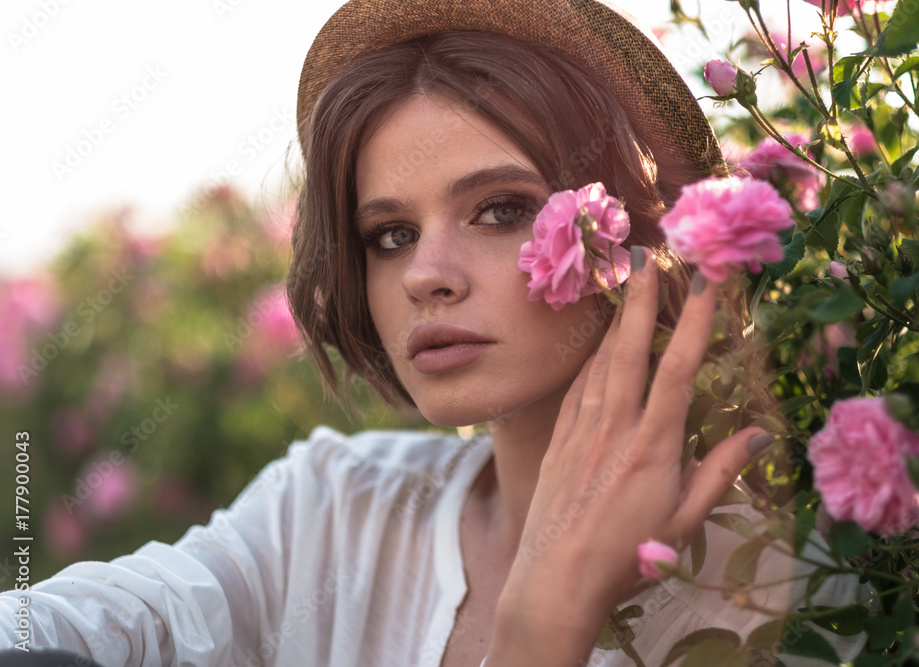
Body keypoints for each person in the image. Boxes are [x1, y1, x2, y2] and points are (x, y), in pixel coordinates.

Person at [1, 0, 867, 665]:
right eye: (391, 234)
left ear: (638, 237)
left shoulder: (778, 589)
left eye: (500, 210)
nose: (423, 274)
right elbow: (83, 620)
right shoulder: (339, 504)